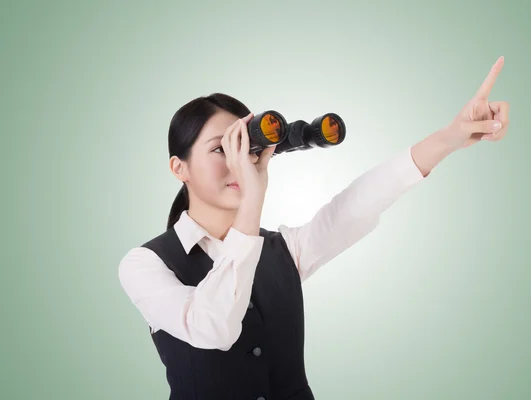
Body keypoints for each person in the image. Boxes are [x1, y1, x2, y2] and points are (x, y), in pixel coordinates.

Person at [118, 57, 510, 400]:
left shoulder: (283, 250)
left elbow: (358, 204)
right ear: (178, 168)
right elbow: (213, 329)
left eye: (246, 147)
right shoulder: (144, 265)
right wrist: (252, 200)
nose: (240, 161)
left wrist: (450, 137)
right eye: (222, 149)